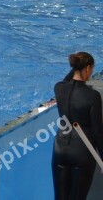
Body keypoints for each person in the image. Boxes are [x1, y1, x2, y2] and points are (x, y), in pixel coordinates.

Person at [52, 52, 103, 200]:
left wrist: (76, 68)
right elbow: (97, 131)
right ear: (87, 68)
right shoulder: (93, 96)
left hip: (60, 148)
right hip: (82, 152)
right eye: (91, 69)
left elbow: (66, 81)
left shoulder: (59, 88)